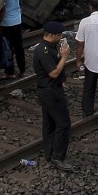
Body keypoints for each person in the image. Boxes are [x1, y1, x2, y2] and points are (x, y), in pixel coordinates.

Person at [33, 21, 73, 171]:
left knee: (49, 123)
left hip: (47, 90)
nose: (61, 37)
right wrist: (64, 57)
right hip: (51, 91)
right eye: (59, 35)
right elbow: (53, 73)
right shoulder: (44, 51)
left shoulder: (47, 47)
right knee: (63, 123)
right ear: (51, 35)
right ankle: (58, 157)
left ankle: (49, 153)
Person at [0, 0, 25, 77]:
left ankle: (10, 73)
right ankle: (22, 71)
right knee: (19, 47)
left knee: (8, 48)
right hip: (17, 20)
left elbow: (3, 9)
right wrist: (19, 9)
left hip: (6, 23)